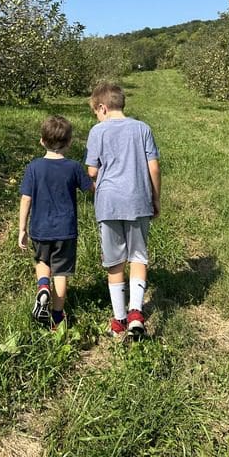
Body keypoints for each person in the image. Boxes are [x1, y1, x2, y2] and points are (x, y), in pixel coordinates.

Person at [86, 82, 161, 338]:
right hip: (138, 200)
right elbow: (154, 167)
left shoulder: (98, 131)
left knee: (114, 261)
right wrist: (155, 198)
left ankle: (118, 318)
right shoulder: (142, 129)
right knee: (138, 256)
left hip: (108, 203)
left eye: (96, 111)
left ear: (102, 107)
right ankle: (136, 313)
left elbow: (92, 171)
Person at [19, 115, 93, 328]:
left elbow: (26, 198)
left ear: (42, 141)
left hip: (40, 229)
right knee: (61, 272)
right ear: (69, 142)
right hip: (66, 230)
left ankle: (43, 287)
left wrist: (22, 229)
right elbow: (90, 189)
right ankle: (58, 316)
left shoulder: (34, 167)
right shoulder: (74, 167)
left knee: (43, 262)